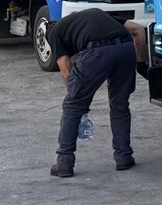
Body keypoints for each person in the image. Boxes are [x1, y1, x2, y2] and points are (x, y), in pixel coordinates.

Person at [46, 9, 145, 178]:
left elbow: (65, 70)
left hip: (97, 52)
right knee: (120, 104)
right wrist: (141, 63)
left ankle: (64, 163)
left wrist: (77, 99)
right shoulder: (101, 15)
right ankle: (124, 158)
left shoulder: (54, 31)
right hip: (125, 48)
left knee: (72, 106)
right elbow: (139, 31)